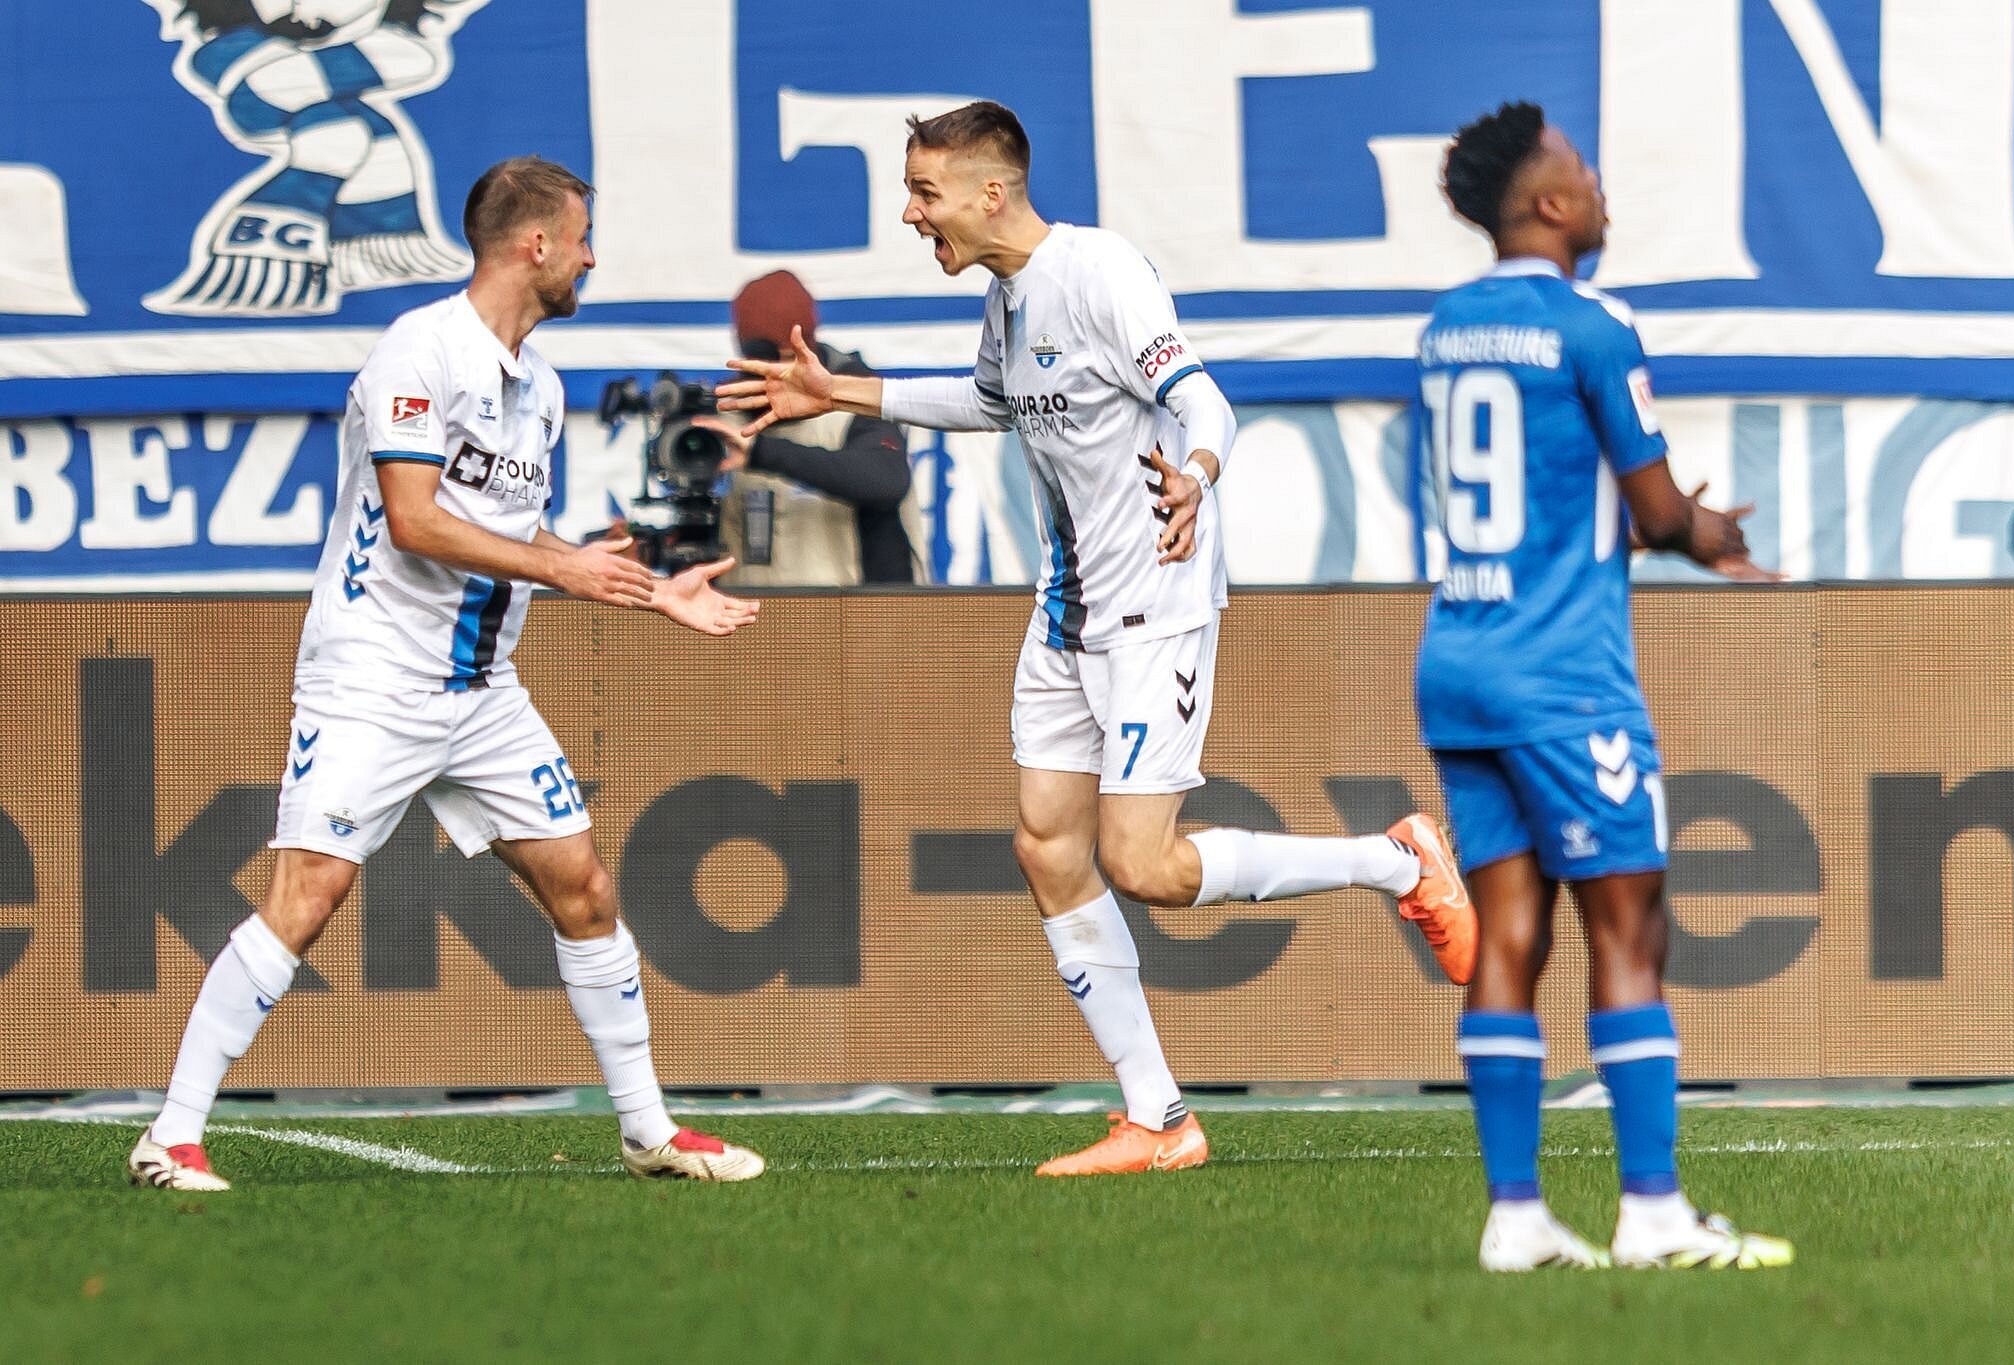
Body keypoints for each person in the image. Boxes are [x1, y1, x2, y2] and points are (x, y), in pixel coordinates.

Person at [718, 101, 1477, 1177]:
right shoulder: (1006, 297)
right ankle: (1158, 1119)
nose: (908, 213)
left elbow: (1202, 399)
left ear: (991, 192)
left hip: (1152, 607)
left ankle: (1391, 861)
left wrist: (1196, 477)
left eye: (923, 193)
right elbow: (990, 402)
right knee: (1045, 845)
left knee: (1144, 866)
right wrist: (835, 387)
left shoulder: (1100, 272)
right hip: (1065, 613)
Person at [128, 156, 765, 1193]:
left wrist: (651, 590)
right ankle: (174, 1132)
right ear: (536, 245)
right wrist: (564, 565)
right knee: (309, 895)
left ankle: (647, 1129)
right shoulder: (418, 351)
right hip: (373, 677)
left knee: (585, 886)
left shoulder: (543, 388)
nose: (592, 256)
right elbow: (420, 522)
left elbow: (517, 534)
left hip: (481, 692)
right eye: (583, 237)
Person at [1417, 102, 1792, 1270]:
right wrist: (1707, 531)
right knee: (1629, 929)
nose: (1596, 186)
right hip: (1563, 677)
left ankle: (1515, 1219)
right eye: (1579, 169)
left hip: (1458, 661)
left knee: (1508, 938)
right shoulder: (1592, 326)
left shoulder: (1441, 330)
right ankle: (1651, 1214)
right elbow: (1651, 507)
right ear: (1547, 203)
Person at [690, 270, 923, 586]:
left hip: (859, 623)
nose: (781, 370)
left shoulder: (858, 397)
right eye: (767, 357)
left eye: (789, 355)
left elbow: (886, 478)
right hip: (749, 623)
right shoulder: (727, 412)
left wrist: (762, 452)